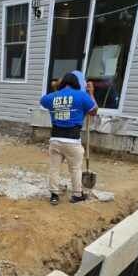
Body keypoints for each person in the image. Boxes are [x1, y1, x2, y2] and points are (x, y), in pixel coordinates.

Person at [40, 72, 98, 205]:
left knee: (54, 168)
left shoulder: (52, 97)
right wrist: (91, 93)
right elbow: (94, 111)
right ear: (77, 84)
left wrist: (56, 90)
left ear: (62, 83)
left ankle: (54, 195)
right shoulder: (82, 96)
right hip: (72, 140)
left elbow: (43, 101)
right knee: (75, 169)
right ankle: (77, 194)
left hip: (55, 140)